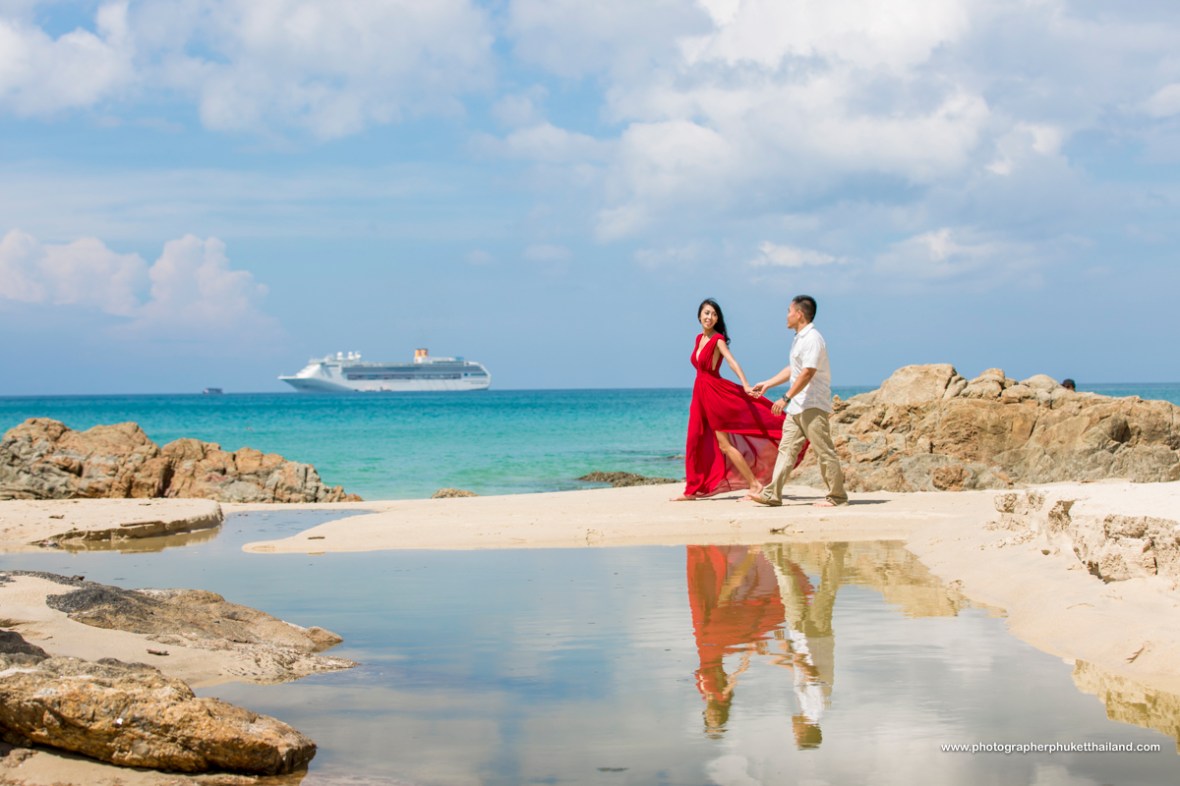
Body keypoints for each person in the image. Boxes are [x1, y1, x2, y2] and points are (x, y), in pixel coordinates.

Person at [675, 298, 791, 500]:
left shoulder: (718, 339)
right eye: (706, 313)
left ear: (717, 319)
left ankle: (754, 484)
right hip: (699, 394)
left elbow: (731, 362)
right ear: (699, 316)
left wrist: (745, 384)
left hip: (714, 393)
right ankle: (693, 489)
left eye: (714, 314)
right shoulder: (698, 338)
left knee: (724, 444)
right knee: (694, 439)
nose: (709, 317)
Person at [749, 295, 847, 507]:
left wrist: (785, 397)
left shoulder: (813, 339)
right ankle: (772, 494)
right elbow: (794, 370)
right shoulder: (800, 339)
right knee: (786, 450)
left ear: (799, 314)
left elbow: (807, 372)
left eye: (789, 311)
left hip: (812, 404)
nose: (787, 315)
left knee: (823, 451)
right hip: (797, 407)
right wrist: (768, 384)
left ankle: (838, 496)